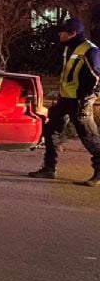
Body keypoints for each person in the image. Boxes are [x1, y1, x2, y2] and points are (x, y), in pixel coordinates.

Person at [29, 18, 100, 186]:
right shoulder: (69, 48)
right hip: (66, 99)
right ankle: (49, 168)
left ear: (73, 34)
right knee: (51, 130)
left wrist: (86, 98)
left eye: (63, 31)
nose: (59, 34)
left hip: (79, 102)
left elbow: (96, 77)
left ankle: (98, 172)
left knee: (88, 137)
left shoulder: (90, 50)